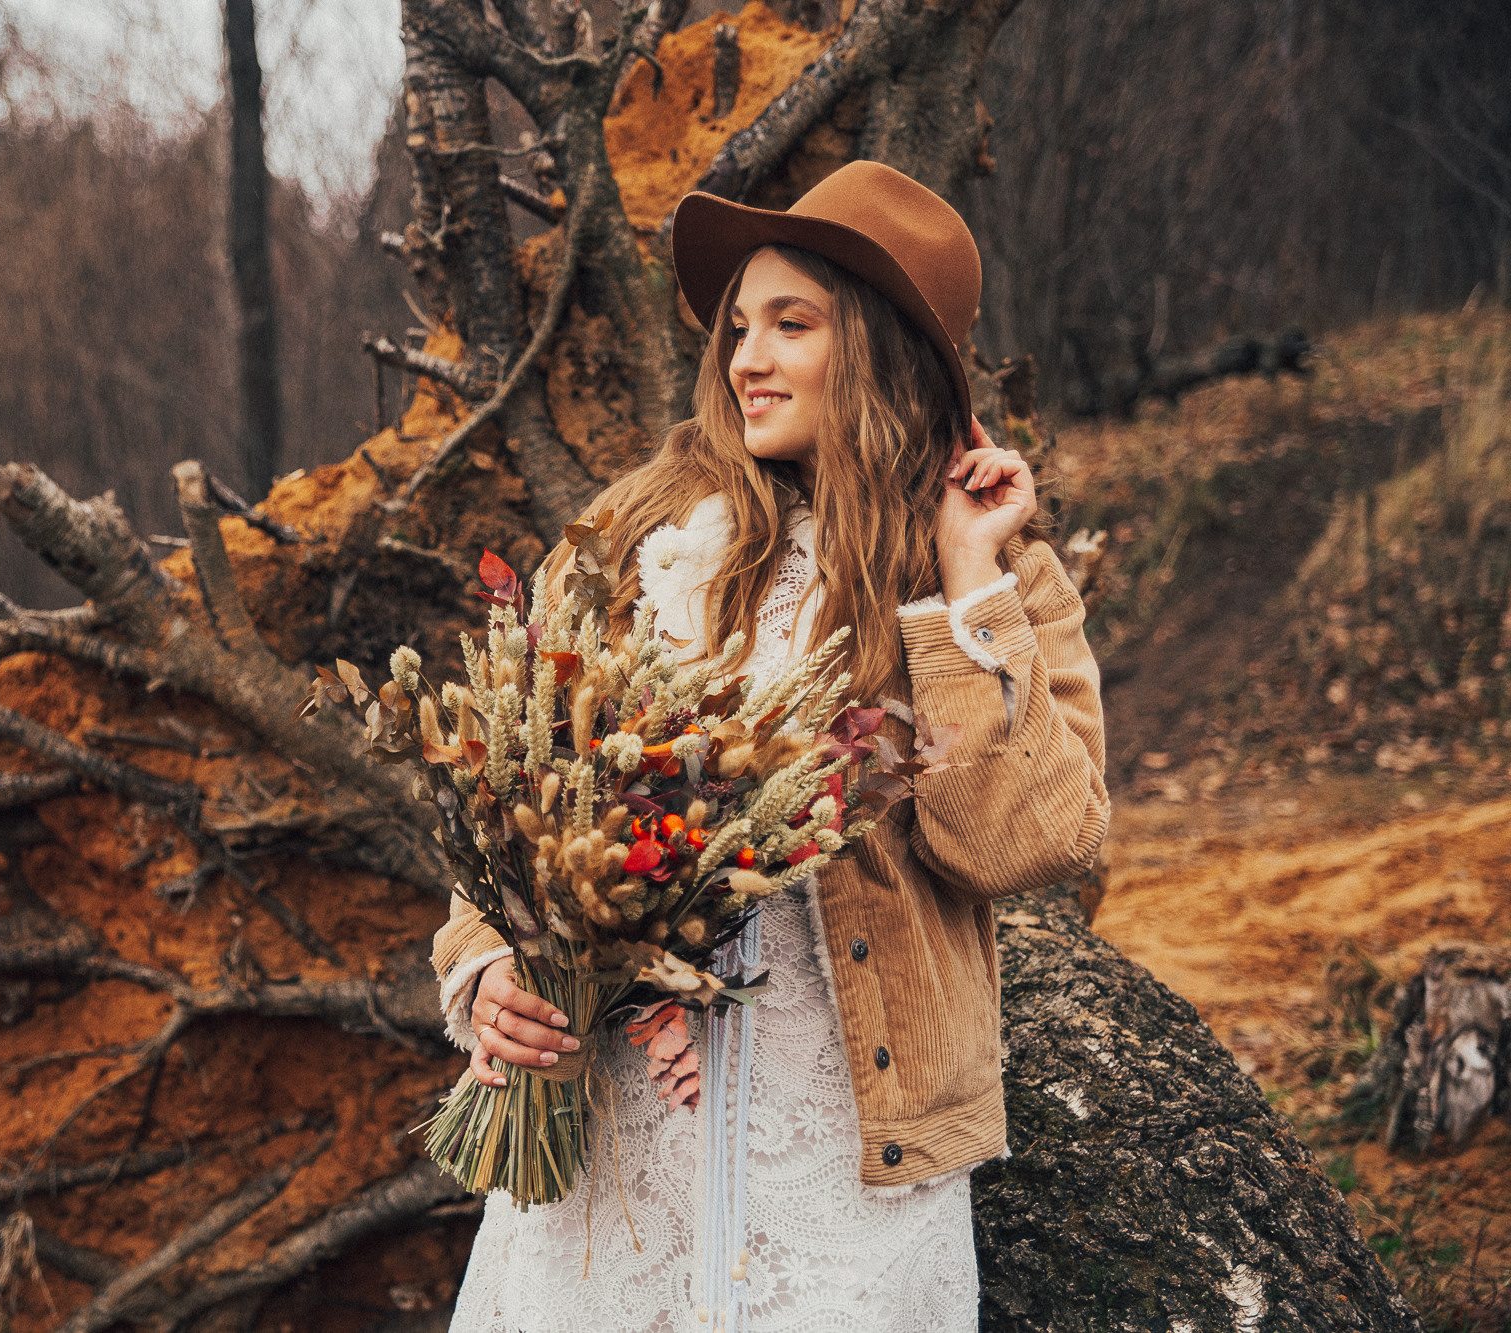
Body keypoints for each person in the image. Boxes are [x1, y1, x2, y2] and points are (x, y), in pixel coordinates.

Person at [430, 160, 1109, 1332]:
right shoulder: (630, 542)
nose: (745, 356)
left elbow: (1023, 844)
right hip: (623, 1145)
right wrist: (488, 968)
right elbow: (512, 801)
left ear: (884, 351)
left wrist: (963, 582)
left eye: (791, 324)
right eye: (738, 326)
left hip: (843, 1166)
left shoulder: (998, 579)